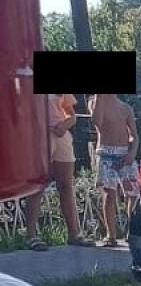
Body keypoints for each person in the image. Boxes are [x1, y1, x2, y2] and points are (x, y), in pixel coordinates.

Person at [23, 92, 89, 249]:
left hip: (61, 136)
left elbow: (72, 115)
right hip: (38, 137)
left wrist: (65, 124)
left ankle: (74, 234)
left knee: (66, 186)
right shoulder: (27, 79)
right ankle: (31, 235)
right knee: (37, 185)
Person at [90, 93, 138, 247]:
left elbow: (134, 135)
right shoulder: (95, 102)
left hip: (125, 153)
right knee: (109, 194)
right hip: (106, 154)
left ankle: (132, 231)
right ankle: (111, 235)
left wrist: (132, 153)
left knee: (133, 194)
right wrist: (99, 97)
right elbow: (98, 122)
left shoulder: (125, 108)